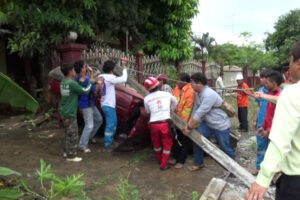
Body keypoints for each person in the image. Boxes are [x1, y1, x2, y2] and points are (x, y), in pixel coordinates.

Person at [246, 41, 300, 200]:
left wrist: (263, 179)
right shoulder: (279, 94)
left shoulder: (290, 94)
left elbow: (280, 140)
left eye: (290, 61)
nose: (289, 66)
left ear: (298, 63)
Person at [182, 73, 235, 171]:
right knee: (197, 140)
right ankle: (199, 163)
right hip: (207, 124)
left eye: (192, 83)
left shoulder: (208, 95)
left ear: (199, 83)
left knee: (225, 147)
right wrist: (189, 124)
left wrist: (189, 128)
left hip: (220, 125)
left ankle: (233, 168)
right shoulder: (198, 93)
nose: (191, 85)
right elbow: (195, 110)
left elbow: (199, 113)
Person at [59, 63, 92, 162]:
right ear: (70, 71)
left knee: (68, 133)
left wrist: (84, 77)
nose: (74, 72)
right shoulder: (71, 83)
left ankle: (66, 151)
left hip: (64, 110)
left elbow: (77, 85)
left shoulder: (64, 81)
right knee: (73, 134)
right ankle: (71, 156)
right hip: (70, 112)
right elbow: (85, 91)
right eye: (73, 70)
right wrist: (90, 82)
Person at [143, 77, 178, 170]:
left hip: (153, 124)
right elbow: (175, 102)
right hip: (165, 123)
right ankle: (164, 164)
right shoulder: (166, 94)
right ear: (157, 84)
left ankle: (159, 160)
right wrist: (170, 110)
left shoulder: (146, 99)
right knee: (167, 144)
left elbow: (148, 111)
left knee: (156, 143)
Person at [74, 60, 103, 153]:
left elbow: (89, 80)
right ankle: (82, 145)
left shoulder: (79, 78)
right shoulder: (82, 79)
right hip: (86, 105)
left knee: (99, 119)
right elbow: (94, 90)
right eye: (84, 66)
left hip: (89, 104)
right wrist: (99, 84)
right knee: (89, 125)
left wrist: (91, 73)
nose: (86, 68)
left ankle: (89, 137)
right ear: (82, 69)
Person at [99, 59, 127, 148]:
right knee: (111, 124)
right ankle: (108, 143)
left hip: (105, 103)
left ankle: (110, 140)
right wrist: (124, 68)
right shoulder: (110, 77)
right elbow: (124, 79)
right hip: (109, 105)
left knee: (113, 123)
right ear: (111, 69)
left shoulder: (101, 76)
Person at [171, 72, 195, 169]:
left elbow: (187, 110)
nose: (177, 81)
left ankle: (181, 161)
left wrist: (182, 125)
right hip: (175, 119)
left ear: (185, 82)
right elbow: (172, 103)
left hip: (184, 122)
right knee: (175, 139)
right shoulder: (176, 88)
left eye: (179, 80)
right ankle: (175, 157)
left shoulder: (190, 92)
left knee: (184, 141)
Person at [251, 69, 272, 175]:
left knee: (272, 147)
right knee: (261, 146)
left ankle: (270, 170)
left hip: (272, 124)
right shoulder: (260, 90)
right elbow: (258, 106)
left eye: (262, 77)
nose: (260, 79)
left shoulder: (276, 92)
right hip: (261, 123)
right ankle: (259, 167)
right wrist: (255, 120)